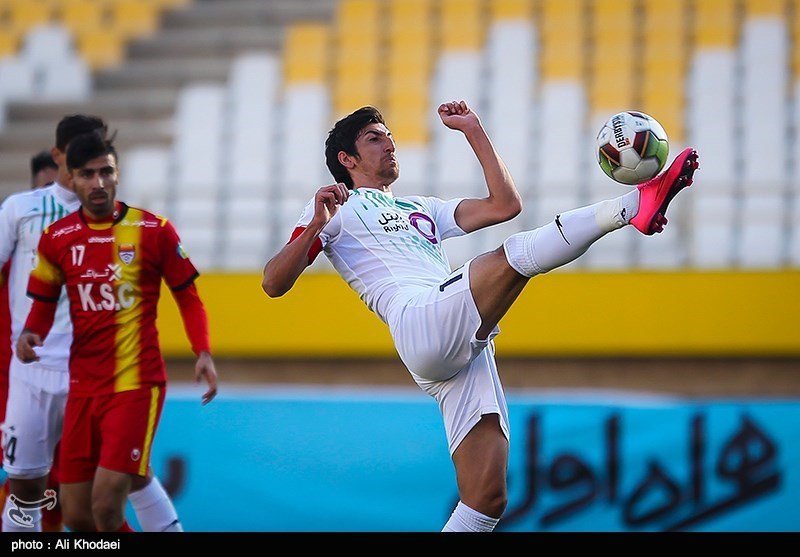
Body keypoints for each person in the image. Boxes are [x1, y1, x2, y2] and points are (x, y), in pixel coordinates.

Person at [261, 100, 699, 532]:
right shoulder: (337, 210)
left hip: (458, 349)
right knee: (512, 257)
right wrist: (318, 223)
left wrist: (474, 130)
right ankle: (630, 207)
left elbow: (504, 206)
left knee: (486, 499)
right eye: (375, 139)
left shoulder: (421, 207)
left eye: (391, 137)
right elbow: (274, 283)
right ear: (347, 159)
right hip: (417, 317)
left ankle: (634, 206)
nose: (390, 145)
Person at [15, 129, 218, 532]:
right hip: (82, 387)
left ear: (118, 173)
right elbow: (42, 303)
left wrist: (203, 351)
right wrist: (29, 335)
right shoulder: (56, 239)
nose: (98, 183)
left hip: (136, 384)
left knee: (107, 506)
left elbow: (188, 297)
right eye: (87, 174)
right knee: (77, 516)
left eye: (106, 172)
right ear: (71, 179)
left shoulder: (154, 230)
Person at [0, 149, 62, 531]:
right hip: (13, 382)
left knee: (58, 494)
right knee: (23, 484)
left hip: (63, 378)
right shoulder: (13, 247)